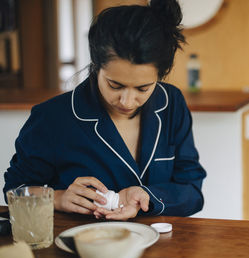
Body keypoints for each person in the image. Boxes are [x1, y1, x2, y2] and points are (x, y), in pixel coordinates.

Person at [3, 0, 206, 220]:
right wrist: (57, 198)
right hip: (82, 247)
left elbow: (192, 191)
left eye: (143, 88)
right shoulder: (52, 118)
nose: (127, 101)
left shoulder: (171, 103)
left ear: (160, 76)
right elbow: (14, 190)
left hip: (162, 247)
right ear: (96, 65)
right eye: (115, 85)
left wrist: (147, 195)